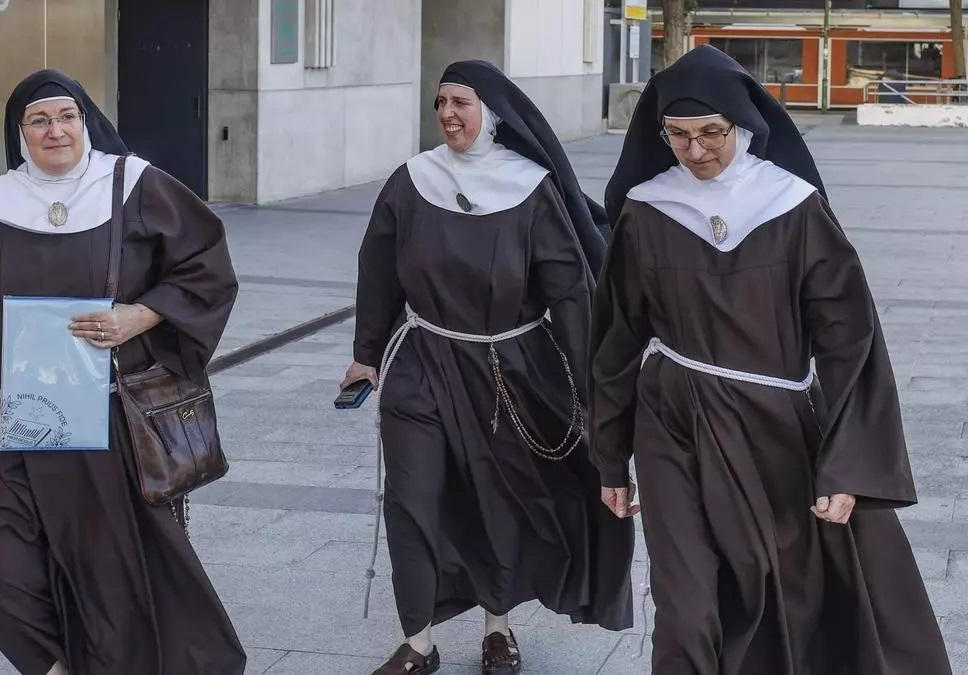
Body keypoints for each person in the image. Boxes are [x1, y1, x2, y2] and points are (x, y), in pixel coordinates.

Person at [0, 70, 246, 675]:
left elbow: (206, 269)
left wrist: (140, 315)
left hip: (102, 421)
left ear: (86, 121)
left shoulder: (136, 187)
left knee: (107, 579)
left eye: (67, 116)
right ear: (20, 132)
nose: (55, 130)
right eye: (39, 120)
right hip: (5, 417)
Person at [590, 45, 951, 674]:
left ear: (744, 127)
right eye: (677, 135)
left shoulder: (793, 206)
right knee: (685, 604)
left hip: (774, 422)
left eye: (711, 134)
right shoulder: (648, 209)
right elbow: (617, 336)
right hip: (671, 418)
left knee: (780, 586)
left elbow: (850, 341)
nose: (695, 151)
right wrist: (609, 456)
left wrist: (848, 467)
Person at [344, 60, 633, 675]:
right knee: (413, 496)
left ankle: (496, 628)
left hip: (509, 369)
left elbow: (571, 295)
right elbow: (377, 271)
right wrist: (366, 355)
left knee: (493, 499)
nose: (448, 113)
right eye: (441, 102)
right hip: (422, 360)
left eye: (462, 103)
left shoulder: (529, 188)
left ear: (492, 115)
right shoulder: (411, 181)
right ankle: (418, 641)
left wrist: (590, 392)